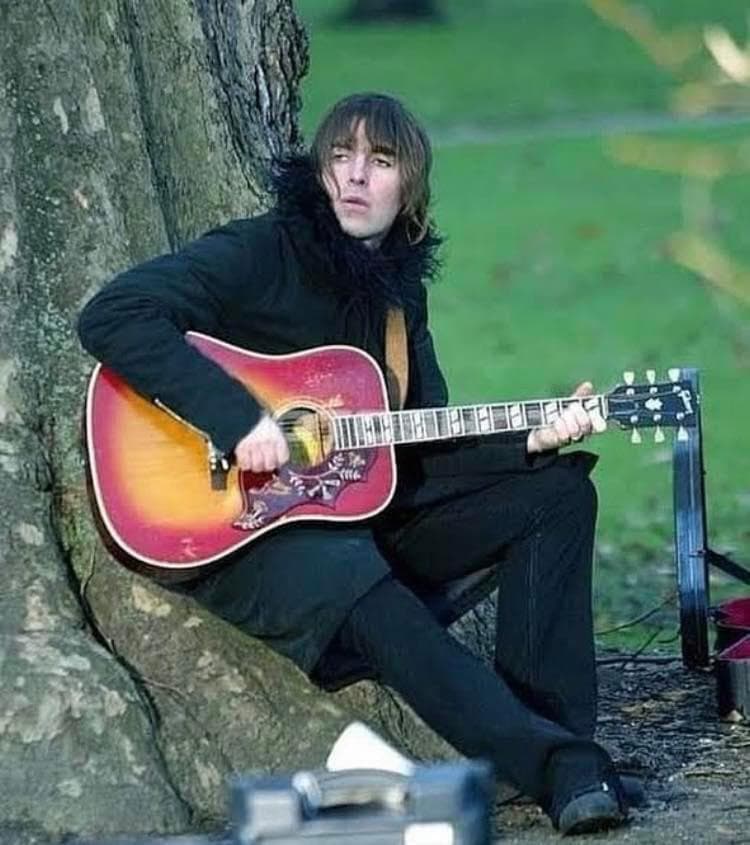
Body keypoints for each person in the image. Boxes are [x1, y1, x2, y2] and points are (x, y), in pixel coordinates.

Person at [78, 92, 632, 834]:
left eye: (380, 160)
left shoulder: (400, 299)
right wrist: (239, 421)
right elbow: (113, 315)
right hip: (247, 528)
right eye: (340, 156)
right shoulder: (261, 251)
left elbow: (417, 446)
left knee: (557, 494)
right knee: (359, 582)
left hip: (361, 511)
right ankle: (560, 764)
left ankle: (563, 754)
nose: (355, 176)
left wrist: (526, 442)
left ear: (411, 187)